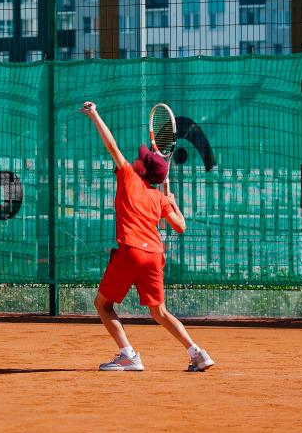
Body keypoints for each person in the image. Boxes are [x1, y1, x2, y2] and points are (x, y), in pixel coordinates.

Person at [80, 101, 215, 373]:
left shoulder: (128, 177)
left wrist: (95, 114)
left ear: (142, 168)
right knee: (159, 312)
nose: (136, 158)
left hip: (130, 251)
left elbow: (112, 146)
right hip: (154, 255)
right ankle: (197, 354)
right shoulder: (159, 198)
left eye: (140, 158)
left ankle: (128, 355)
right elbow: (181, 227)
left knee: (103, 305)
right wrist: (172, 203)